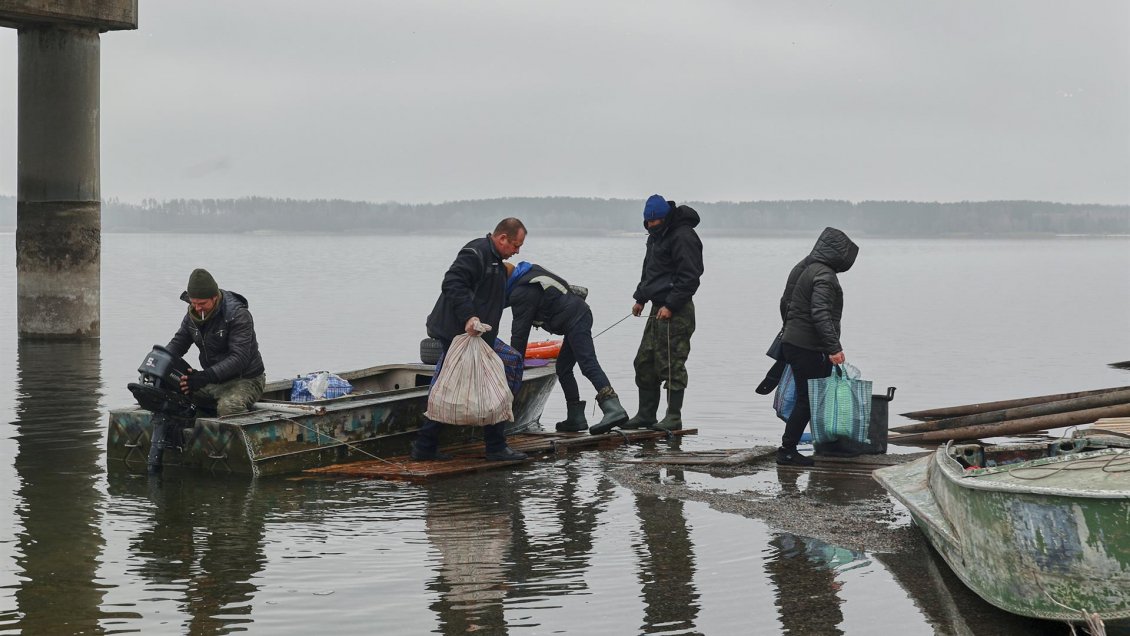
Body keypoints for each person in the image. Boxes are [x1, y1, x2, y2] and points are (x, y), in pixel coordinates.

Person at [410, 218, 530, 462]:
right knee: (452, 385)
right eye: (516, 244)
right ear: (502, 238)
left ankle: (431, 446)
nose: (517, 251)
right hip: (457, 333)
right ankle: (490, 446)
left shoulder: (497, 261)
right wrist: (469, 317)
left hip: (479, 335)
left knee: (500, 370)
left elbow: (490, 297)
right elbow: (452, 282)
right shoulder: (475, 253)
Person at [594, 194, 703, 434]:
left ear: (665, 217)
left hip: (678, 310)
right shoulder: (655, 237)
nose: (652, 226)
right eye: (648, 223)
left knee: (672, 364)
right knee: (644, 361)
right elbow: (650, 270)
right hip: (656, 307)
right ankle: (646, 415)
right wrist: (640, 298)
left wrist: (671, 305)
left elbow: (690, 276)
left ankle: (673, 417)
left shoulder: (683, 236)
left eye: (656, 222)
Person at [505, 261, 628, 433]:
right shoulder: (528, 276)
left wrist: (513, 366)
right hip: (577, 315)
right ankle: (575, 417)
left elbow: (519, 335)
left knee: (588, 363)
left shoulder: (522, 292)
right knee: (563, 368)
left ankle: (613, 408)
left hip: (576, 319)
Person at [776, 227, 858, 466]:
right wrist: (834, 348)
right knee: (808, 400)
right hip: (808, 347)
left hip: (796, 342)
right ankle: (788, 450)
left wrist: (790, 330)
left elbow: (785, 303)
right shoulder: (825, 275)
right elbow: (821, 313)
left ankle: (803, 446)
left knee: (808, 398)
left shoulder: (805, 268)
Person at [166, 268, 267, 416]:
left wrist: (205, 376)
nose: (197, 308)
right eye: (193, 303)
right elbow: (179, 343)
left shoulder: (238, 315)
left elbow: (239, 358)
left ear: (215, 297)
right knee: (171, 392)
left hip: (246, 380)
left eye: (202, 303)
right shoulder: (192, 313)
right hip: (214, 379)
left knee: (229, 407)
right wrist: (159, 360)